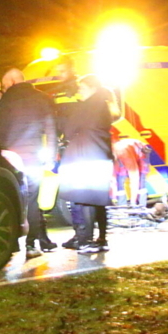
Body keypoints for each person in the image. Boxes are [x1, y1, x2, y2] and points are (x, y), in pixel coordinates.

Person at [0, 68, 58, 259]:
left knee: (11, 199)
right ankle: (31, 245)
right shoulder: (42, 98)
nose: (4, 88)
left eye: (5, 84)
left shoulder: (7, 100)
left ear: (11, 82)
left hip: (11, 159)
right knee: (33, 201)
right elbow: (51, 128)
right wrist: (51, 156)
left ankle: (10, 243)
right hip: (34, 158)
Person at [58, 74, 115, 253]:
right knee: (98, 199)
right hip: (100, 157)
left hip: (85, 158)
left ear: (92, 88)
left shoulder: (87, 106)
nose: (79, 92)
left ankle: (85, 241)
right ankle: (101, 238)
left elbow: (68, 130)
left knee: (84, 199)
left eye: (82, 88)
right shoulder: (104, 105)